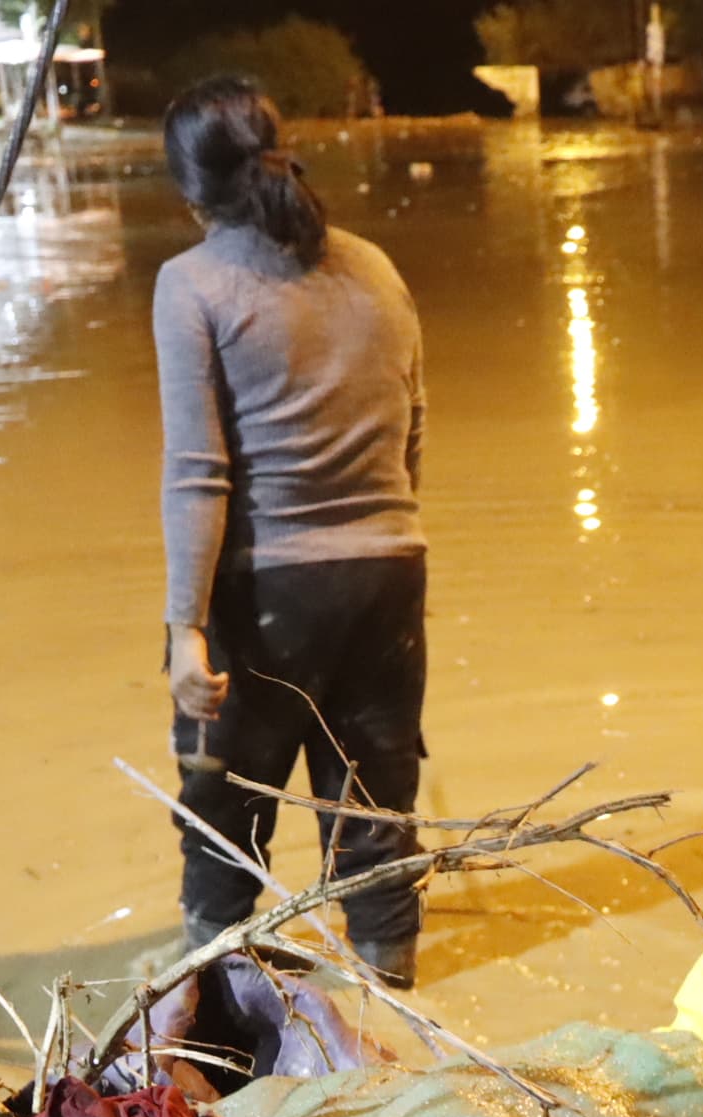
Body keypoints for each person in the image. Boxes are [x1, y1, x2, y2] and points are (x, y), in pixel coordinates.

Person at [154, 75, 432, 991]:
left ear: (189, 188)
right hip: (391, 571)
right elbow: (411, 429)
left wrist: (186, 628)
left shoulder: (190, 283)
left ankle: (212, 1010)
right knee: (375, 803)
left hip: (271, 591)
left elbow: (200, 472)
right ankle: (391, 1002)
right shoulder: (377, 267)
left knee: (225, 805)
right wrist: (371, 547)